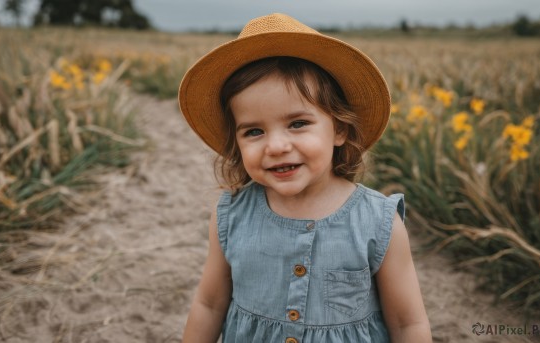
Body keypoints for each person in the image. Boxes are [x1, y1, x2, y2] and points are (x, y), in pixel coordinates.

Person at [179, 13, 432, 343]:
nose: (277, 146)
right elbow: (209, 305)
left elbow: (407, 324)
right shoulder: (232, 216)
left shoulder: (377, 222)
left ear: (339, 129)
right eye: (254, 131)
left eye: (297, 123)